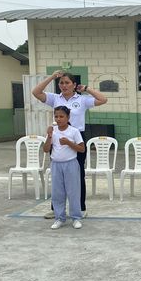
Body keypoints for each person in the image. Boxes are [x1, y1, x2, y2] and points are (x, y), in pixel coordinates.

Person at [32, 71, 107, 218]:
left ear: (74, 85)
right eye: (61, 83)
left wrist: (86, 89)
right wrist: (52, 77)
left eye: (67, 83)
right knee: (57, 175)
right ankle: (56, 209)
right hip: (57, 138)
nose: (64, 85)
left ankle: (80, 208)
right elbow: (36, 92)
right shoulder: (55, 98)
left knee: (78, 174)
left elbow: (103, 99)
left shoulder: (82, 100)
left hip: (76, 138)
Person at [43, 106, 85, 230]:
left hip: (70, 164)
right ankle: (59, 218)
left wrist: (69, 143)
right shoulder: (53, 131)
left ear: (68, 117)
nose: (58, 119)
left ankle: (76, 217)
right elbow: (46, 149)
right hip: (56, 164)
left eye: (61, 116)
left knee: (73, 192)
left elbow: (82, 149)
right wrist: (49, 136)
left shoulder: (74, 131)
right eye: (56, 116)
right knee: (57, 193)